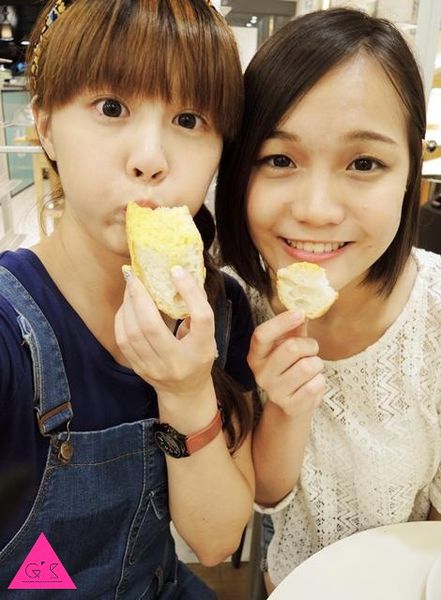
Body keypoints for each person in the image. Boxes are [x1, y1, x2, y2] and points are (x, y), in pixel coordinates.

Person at [0, 0, 256, 597]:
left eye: (189, 119)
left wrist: (186, 391)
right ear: (45, 127)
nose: (150, 160)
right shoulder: (11, 332)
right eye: (111, 108)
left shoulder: (221, 311)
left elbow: (216, 540)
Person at [215, 6, 441, 593]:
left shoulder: (435, 315)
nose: (316, 209)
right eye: (280, 159)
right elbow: (267, 496)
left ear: (410, 171)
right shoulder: (230, 309)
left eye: (364, 163)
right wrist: (286, 408)